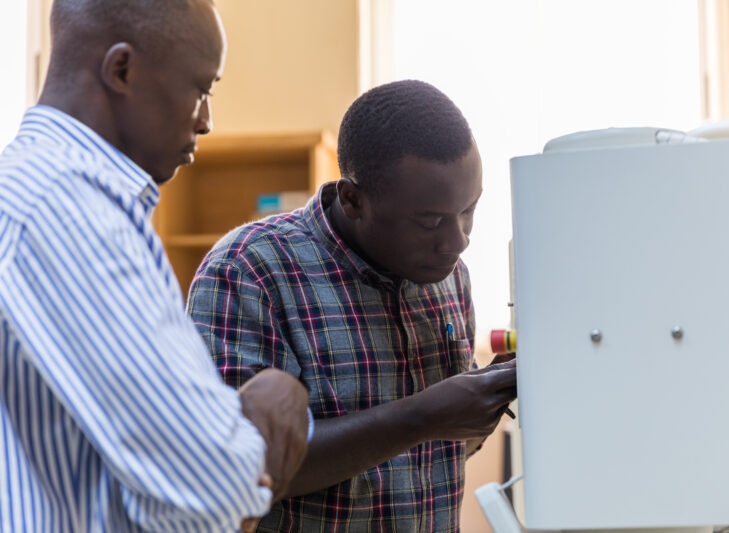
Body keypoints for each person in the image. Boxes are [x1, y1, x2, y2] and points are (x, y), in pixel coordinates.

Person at [0, 1, 310, 531]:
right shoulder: (69, 207)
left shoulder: (28, 187)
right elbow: (211, 490)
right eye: (201, 89)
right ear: (121, 70)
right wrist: (273, 404)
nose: (207, 120)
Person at [187, 79, 518, 532]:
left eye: (468, 210)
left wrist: (480, 405)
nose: (458, 240)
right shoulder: (249, 271)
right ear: (352, 199)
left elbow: (434, 456)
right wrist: (424, 416)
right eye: (430, 222)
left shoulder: (448, 275)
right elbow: (239, 467)